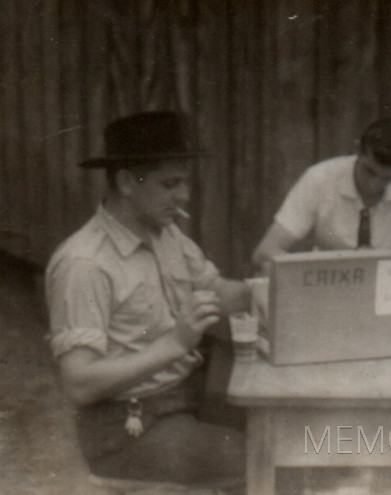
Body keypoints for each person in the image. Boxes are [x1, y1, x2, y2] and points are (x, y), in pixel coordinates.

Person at [45, 112, 249, 492]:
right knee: (265, 455)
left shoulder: (165, 233)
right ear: (126, 181)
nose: (184, 197)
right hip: (127, 429)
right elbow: (79, 384)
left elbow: (216, 291)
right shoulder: (85, 264)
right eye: (170, 184)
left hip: (183, 401)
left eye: (185, 183)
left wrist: (267, 289)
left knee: (288, 426)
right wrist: (174, 344)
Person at [251, 116, 391, 270]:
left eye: (388, 178)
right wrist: (311, 273)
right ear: (357, 150)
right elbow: (264, 253)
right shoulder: (320, 178)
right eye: (370, 171)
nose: (375, 185)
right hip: (332, 290)